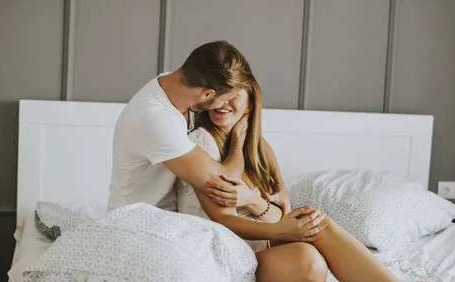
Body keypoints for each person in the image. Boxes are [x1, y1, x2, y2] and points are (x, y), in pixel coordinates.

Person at [175, 77, 450, 282]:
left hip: (261, 250)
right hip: (224, 258)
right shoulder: (200, 143)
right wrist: (237, 141)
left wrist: (253, 201)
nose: (222, 102)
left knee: (315, 223)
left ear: (250, 101)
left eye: (233, 94)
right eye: (218, 93)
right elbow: (227, 217)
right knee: (309, 262)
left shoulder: (259, 147)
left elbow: (275, 216)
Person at [108, 40, 326, 245]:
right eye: (223, 99)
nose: (222, 106)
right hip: (136, 230)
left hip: (170, 225)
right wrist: (238, 139)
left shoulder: (180, 85)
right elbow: (226, 183)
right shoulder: (156, 119)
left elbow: (257, 139)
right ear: (206, 94)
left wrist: (280, 185)